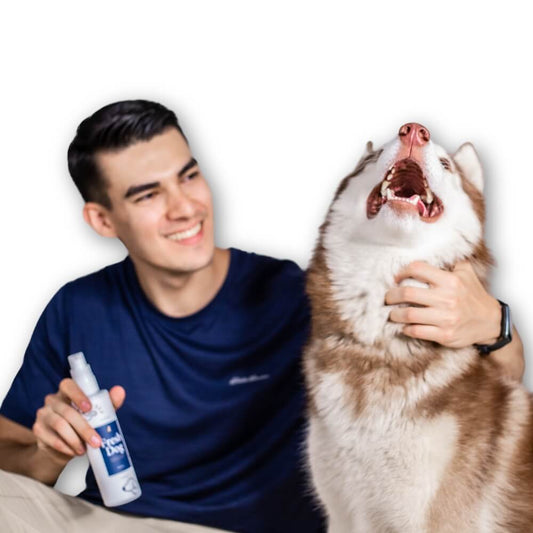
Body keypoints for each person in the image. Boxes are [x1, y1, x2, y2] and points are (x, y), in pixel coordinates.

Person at [0, 100, 524, 533]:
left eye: (188, 176)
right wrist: (49, 453)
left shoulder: (302, 298)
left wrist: (493, 324)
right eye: (149, 195)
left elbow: (489, 390)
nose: (184, 207)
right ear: (102, 219)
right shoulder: (77, 307)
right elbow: (9, 456)